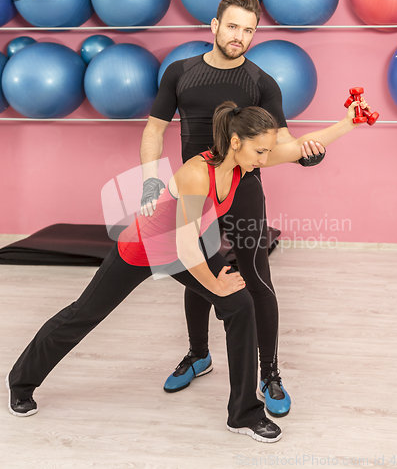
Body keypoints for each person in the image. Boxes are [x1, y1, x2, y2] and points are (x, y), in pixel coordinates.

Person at [6, 98, 370, 443]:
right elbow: (180, 246)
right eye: (260, 151)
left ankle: (243, 414)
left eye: (266, 151)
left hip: (184, 246)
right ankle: (21, 383)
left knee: (240, 306)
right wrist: (216, 283)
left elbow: (301, 145)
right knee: (83, 314)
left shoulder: (245, 160)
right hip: (144, 248)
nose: (265, 159)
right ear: (235, 141)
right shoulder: (198, 172)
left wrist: (349, 123)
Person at [140, 0, 325, 418]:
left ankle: (270, 373)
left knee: (257, 278)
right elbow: (154, 130)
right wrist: (151, 178)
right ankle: (198, 354)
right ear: (214, 25)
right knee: (198, 272)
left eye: (248, 30)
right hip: (195, 189)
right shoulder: (180, 73)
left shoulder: (261, 83)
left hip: (244, 190)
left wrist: (309, 152)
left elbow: (282, 143)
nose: (239, 36)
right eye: (233, 26)